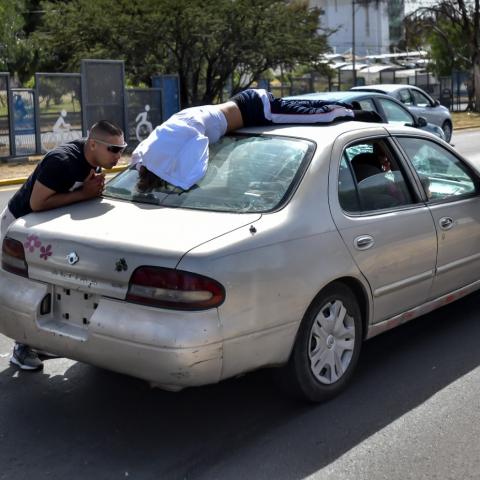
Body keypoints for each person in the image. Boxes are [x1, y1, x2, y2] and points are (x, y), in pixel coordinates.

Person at [1, 120, 126, 371]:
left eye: (122, 148)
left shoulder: (93, 161)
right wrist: (85, 194)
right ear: (93, 144)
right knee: (28, 288)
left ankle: (38, 340)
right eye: (113, 149)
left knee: (52, 287)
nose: (119, 154)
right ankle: (22, 347)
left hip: (46, 233)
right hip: (21, 230)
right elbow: (37, 203)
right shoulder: (62, 162)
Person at [131, 88, 383, 191]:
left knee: (321, 116)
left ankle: (363, 114)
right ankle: (349, 106)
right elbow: (143, 154)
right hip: (247, 104)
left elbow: (194, 173)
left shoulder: (191, 135)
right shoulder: (170, 130)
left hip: (255, 110)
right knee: (308, 108)